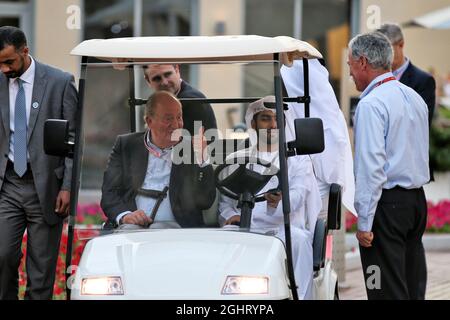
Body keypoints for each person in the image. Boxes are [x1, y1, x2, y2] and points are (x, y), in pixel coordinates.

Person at [348, 32, 429, 300]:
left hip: (387, 206)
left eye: (350, 66)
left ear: (362, 62)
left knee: (382, 287)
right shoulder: (414, 97)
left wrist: (364, 221)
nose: (350, 74)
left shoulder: (371, 104)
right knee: (411, 284)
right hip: (416, 202)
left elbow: (371, 167)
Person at [218, 96, 322, 299]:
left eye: (277, 119)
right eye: (266, 118)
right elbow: (225, 203)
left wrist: (281, 200)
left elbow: (299, 194)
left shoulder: (297, 160)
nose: (273, 125)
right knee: (223, 238)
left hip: (284, 230)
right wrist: (231, 216)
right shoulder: (236, 159)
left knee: (299, 241)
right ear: (253, 123)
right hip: (246, 229)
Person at [0, 26, 77, 299]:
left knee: (41, 271)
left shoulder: (60, 82)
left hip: (47, 188)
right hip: (7, 185)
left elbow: (73, 139)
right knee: (3, 256)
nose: (4, 69)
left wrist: (67, 186)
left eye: (9, 61)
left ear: (25, 51)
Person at [101, 90, 216, 229]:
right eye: (168, 118)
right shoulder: (126, 145)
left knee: (159, 229)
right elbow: (109, 193)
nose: (176, 124)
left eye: (179, 117)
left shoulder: (191, 149)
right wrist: (125, 216)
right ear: (149, 121)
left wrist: (202, 159)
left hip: (178, 229)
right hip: (132, 228)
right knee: (129, 230)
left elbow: (206, 201)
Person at [281, 59, 356, 215]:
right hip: (286, 192)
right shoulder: (287, 110)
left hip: (318, 195)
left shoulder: (325, 116)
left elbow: (330, 165)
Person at [377, 23, 436, 126]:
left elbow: (421, 124)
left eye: (387, 49)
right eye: (379, 50)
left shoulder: (423, 81)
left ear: (401, 44)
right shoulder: (375, 77)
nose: (383, 54)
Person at [143, 64, 217, 137]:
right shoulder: (177, 99)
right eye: (157, 78)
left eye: (168, 74)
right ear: (148, 81)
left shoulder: (191, 101)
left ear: (177, 70)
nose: (164, 82)